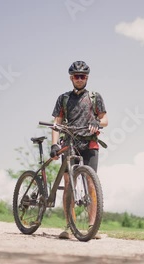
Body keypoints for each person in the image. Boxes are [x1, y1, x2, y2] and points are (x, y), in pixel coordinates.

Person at [50, 61, 108, 239]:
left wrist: (96, 123)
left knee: (91, 183)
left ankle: (92, 226)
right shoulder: (64, 98)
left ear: (87, 78)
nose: (80, 79)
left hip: (89, 144)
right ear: (71, 78)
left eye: (83, 76)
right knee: (69, 185)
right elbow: (56, 124)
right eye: (76, 76)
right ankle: (69, 226)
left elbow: (105, 120)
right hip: (69, 143)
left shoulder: (95, 97)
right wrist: (54, 145)